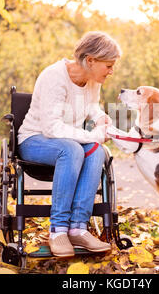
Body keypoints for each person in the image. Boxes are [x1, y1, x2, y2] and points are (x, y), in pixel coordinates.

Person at [17, 31, 121, 257]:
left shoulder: (93, 80)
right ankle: (58, 230)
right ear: (91, 60)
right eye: (109, 65)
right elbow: (51, 128)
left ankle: (78, 228)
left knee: (96, 151)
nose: (112, 71)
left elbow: (92, 106)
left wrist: (100, 118)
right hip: (35, 140)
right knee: (73, 148)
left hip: (68, 142)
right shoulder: (55, 77)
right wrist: (93, 135)